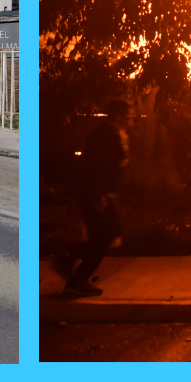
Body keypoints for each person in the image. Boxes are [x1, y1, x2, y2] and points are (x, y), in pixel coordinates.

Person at [63, 98, 132, 297]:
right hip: (95, 194)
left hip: (106, 194)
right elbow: (95, 168)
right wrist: (97, 196)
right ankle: (79, 279)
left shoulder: (118, 134)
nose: (131, 118)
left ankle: (70, 262)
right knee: (102, 238)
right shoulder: (104, 135)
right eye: (129, 114)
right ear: (119, 115)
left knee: (111, 233)